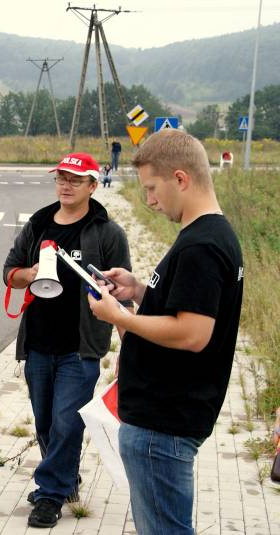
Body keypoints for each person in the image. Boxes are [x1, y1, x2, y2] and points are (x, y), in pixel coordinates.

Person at [87, 129, 244, 535]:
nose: (150, 200)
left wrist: (118, 316)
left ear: (181, 179)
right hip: (168, 419)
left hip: (163, 424)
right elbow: (188, 308)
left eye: (152, 188)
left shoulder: (200, 246)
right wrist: (139, 290)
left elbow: (192, 333)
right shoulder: (209, 236)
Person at [3, 152, 132, 529]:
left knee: (66, 422)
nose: (66, 185)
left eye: (76, 180)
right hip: (39, 343)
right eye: (61, 177)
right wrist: (31, 273)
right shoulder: (39, 224)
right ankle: (66, 479)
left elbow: (122, 294)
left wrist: (128, 345)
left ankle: (50, 495)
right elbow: (9, 273)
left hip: (81, 347)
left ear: (94, 186)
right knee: (44, 420)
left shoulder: (107, 233)